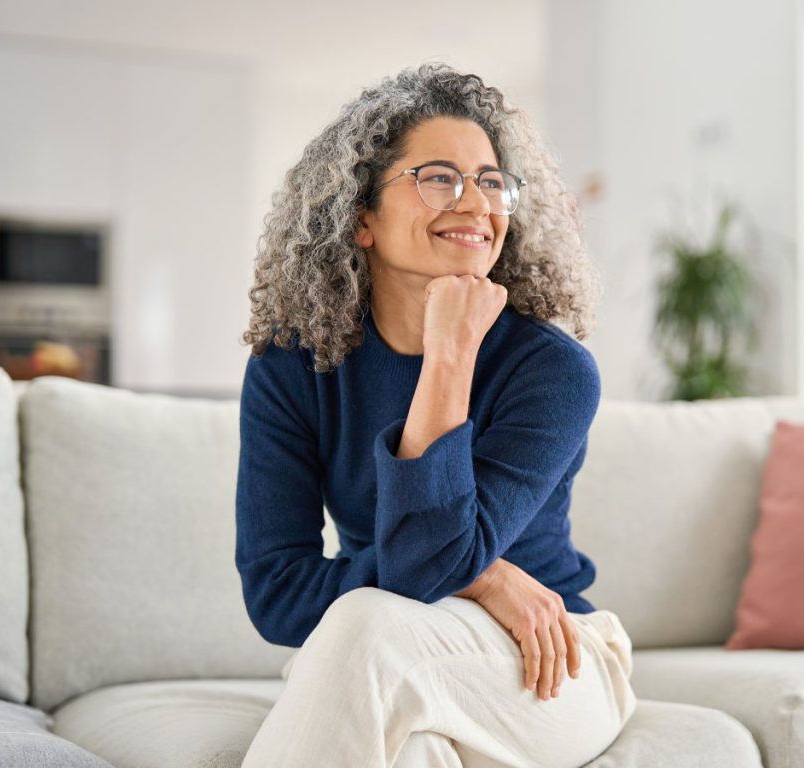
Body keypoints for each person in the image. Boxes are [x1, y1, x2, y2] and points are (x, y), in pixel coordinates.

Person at [236, 62, 637, 768]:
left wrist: (449, 352)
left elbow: (424, 565)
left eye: (490, 181)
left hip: (549, 659)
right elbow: (276, 596)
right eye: (439, 177)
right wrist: (482, 574)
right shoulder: (290, 366)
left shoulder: (551, 370)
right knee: (409, 743)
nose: (476, 203)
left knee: (363, 626)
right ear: (360, 217)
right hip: (391, 645)